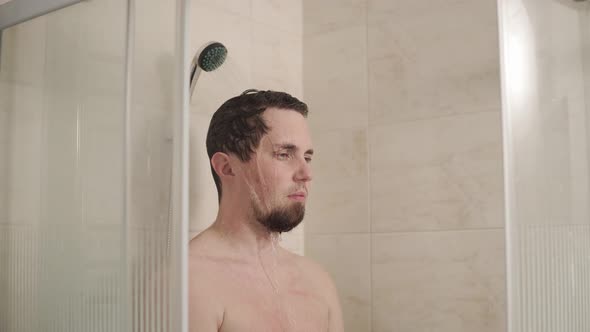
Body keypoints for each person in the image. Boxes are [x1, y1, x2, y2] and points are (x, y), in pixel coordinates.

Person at [188, 89, 344, 331]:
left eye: (307, 157)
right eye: (284, 154)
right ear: (227, 168)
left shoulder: (317, 281)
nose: (306, 174)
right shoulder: (190, 280)